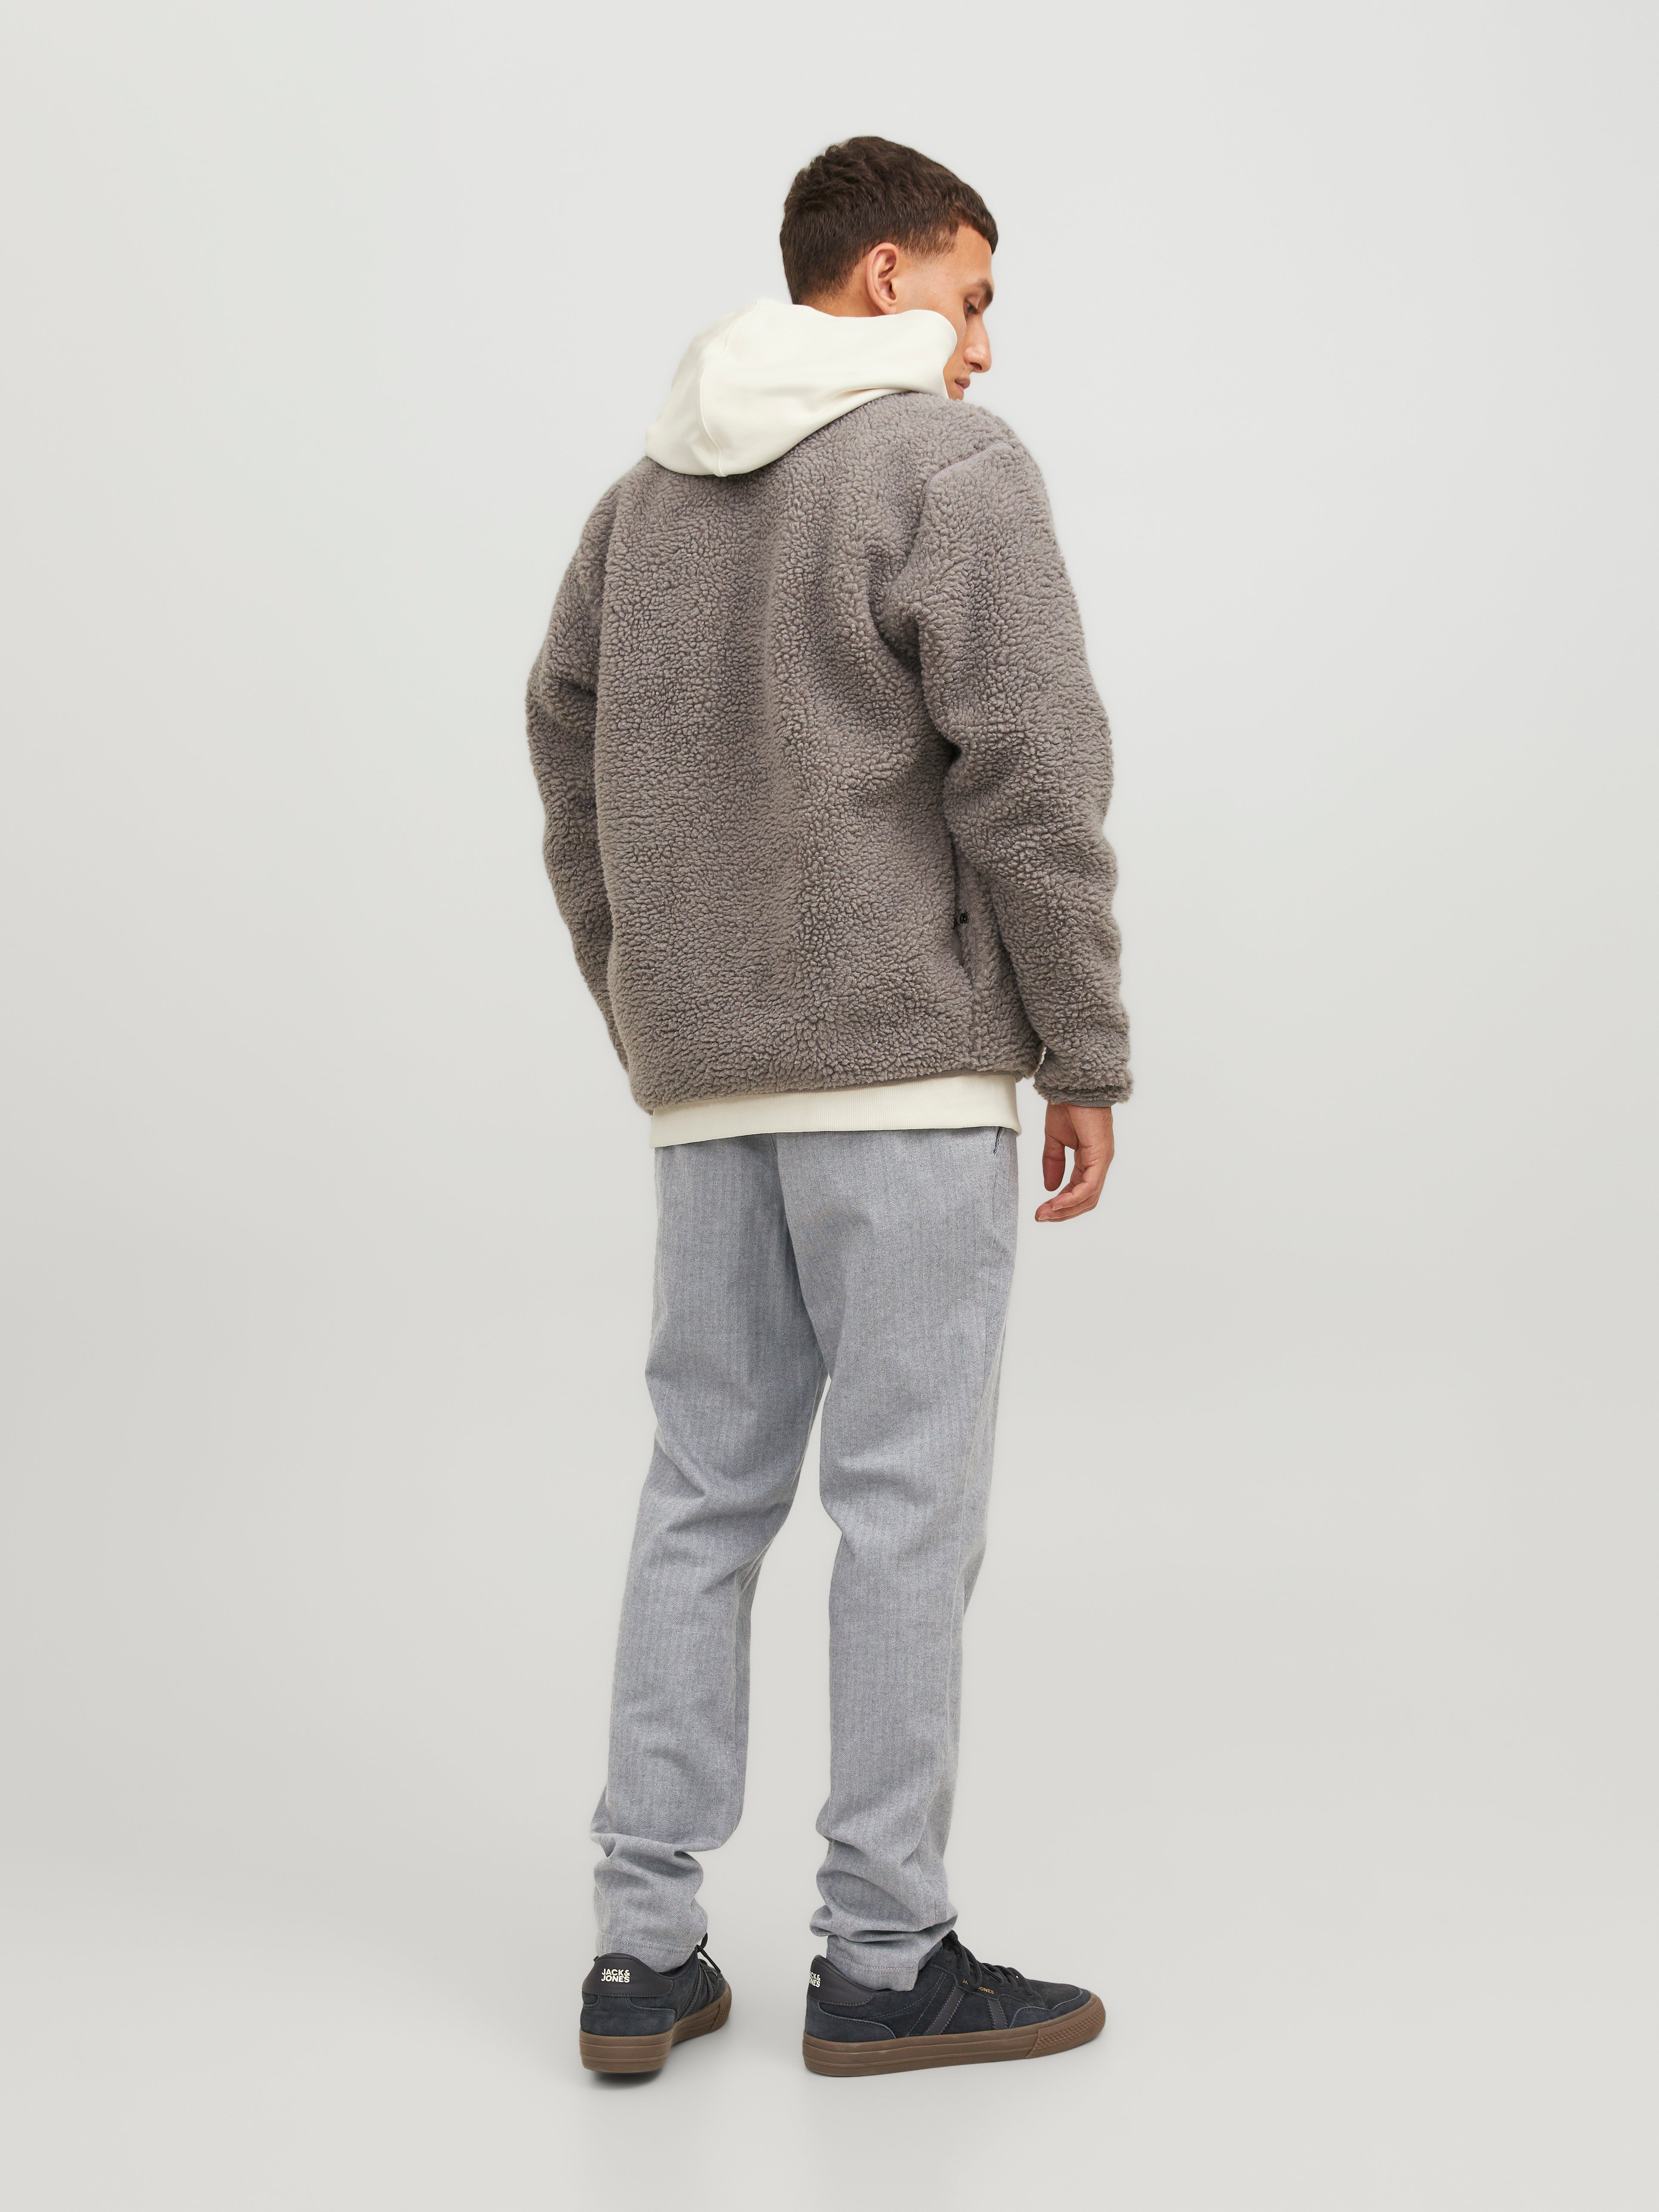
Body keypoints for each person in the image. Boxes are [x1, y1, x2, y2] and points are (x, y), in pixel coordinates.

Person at [528, 135, 1130, 2079]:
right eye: (970, 296)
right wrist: (1082, 1048)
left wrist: (649, 994)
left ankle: (640, 1952)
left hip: (710, 1092)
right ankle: (881, 1956)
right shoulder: (950, 470)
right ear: (885, 275)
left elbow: (562, 740)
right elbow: (1031, 776)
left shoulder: (640, 501)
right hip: (904, 1076)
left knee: (700, 1494)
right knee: (903, 1514)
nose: (981, 346)